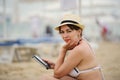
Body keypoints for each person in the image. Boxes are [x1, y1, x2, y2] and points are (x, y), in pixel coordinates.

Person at [40, 14, 105, 80]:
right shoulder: (83, 42)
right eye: (62, 32)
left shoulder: (79, 49)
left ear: (79, 32)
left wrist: (63, 49)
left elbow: (57, 75)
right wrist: (55, 65)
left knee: (45, 78)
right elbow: (74, 68)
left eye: (69, 31)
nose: (65, 36)